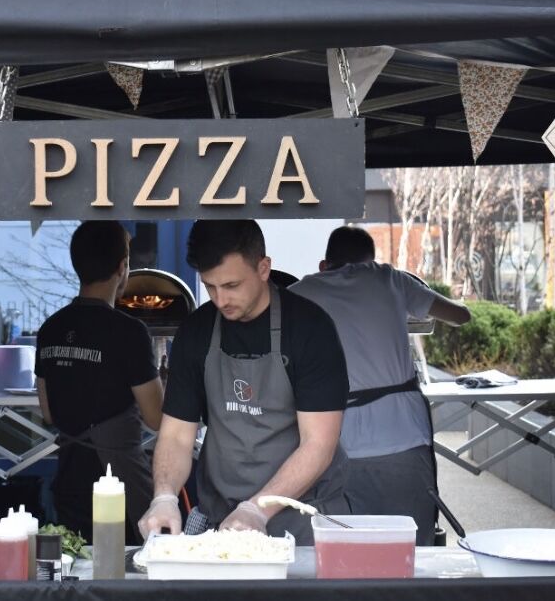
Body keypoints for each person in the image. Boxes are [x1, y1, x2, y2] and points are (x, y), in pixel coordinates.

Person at [138, 220, 350, 545]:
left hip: (302, 520)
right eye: (210, 287)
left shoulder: (310, 329)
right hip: (222, 518)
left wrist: (256, 509)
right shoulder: (196, 331)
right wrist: (164, 496)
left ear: (264, 268)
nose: (220, 300)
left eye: (232, 285)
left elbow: (318, 445)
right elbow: (177, 435)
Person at [290, 225, 471, 546]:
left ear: (323, 265)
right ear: (371, 261)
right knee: (410, 544)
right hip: (404, 438)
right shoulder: (393, 280)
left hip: (333, 445)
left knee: (344, 545)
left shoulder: (299, 293)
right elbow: (460, 316)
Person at [36, 221, 164, 544]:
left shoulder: (50, 328)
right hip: (119, 485)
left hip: (69, 480)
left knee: (77, 563)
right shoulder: (129, 332)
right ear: (122, 267)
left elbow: (48, 413)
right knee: (127, 567)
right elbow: (157, 419)